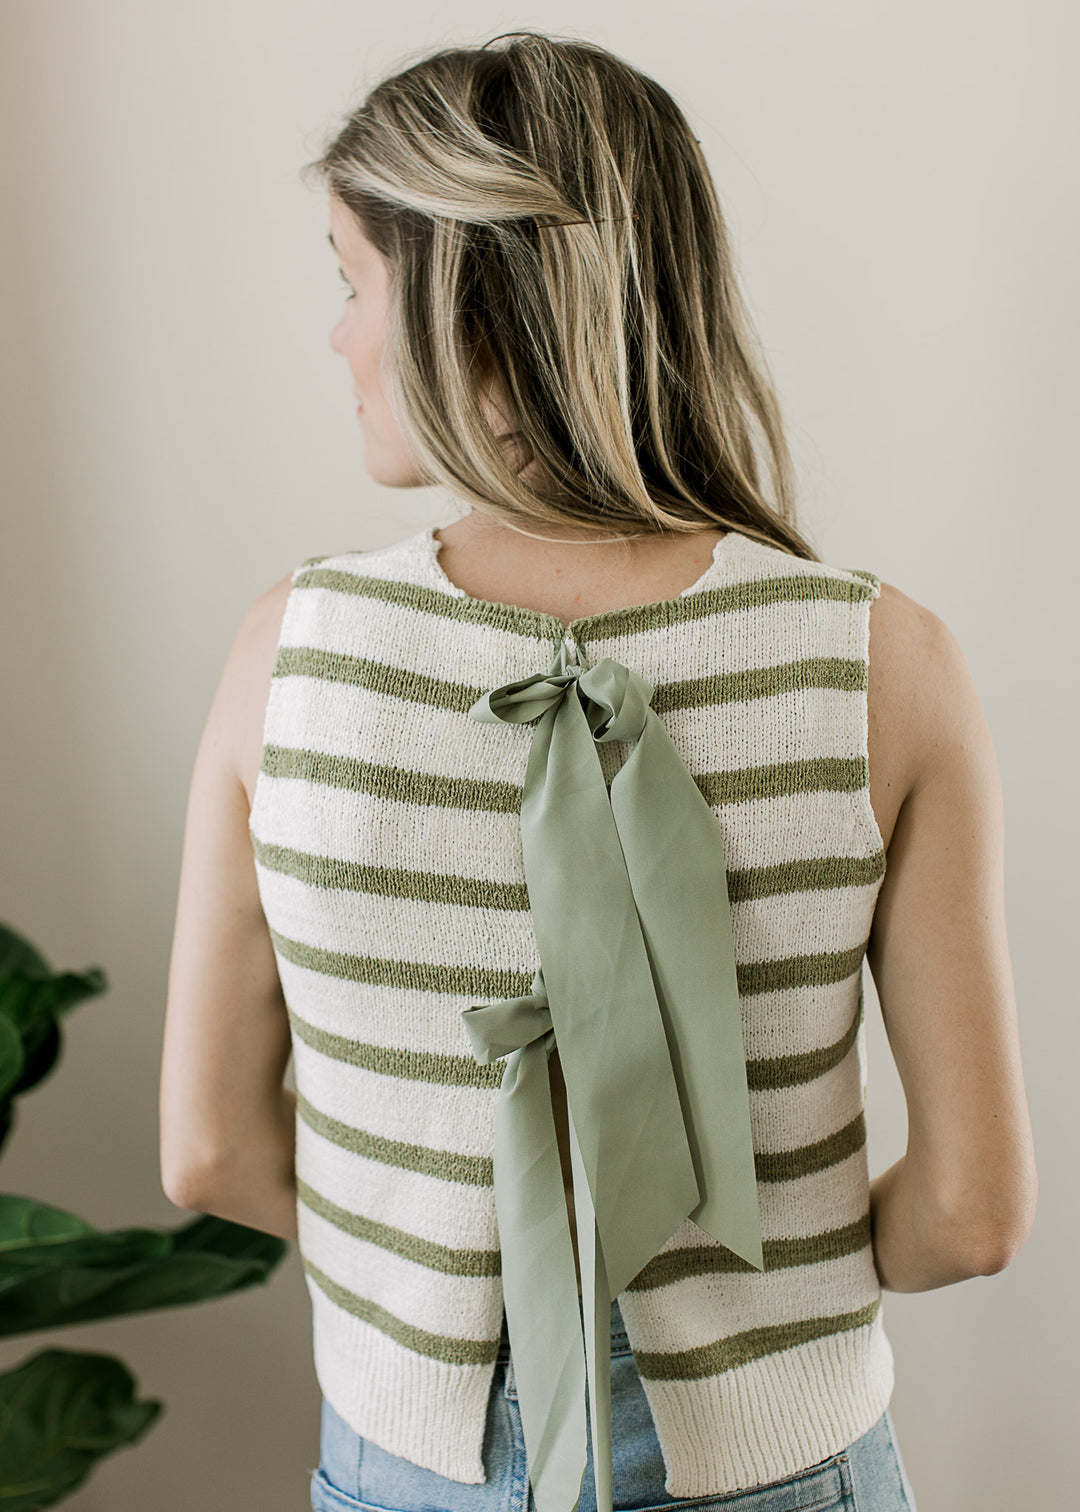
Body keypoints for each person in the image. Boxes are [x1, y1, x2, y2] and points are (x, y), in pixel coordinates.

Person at [158, 30, 1038, 1512]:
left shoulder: (286, 659)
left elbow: (207, 1154)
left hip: (405, 1461)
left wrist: (432, 1258)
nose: (336, 338)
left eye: (348, 281)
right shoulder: (885, 663)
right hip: (782, 1460)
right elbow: (968, 1213)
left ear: (464, 307)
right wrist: (765, 1299)